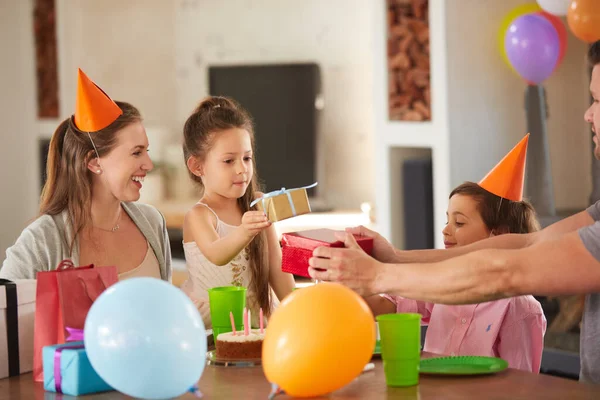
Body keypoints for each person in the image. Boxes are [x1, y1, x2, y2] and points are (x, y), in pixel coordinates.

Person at [308, 41, 600, 383]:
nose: (587, 113)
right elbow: (526, 244)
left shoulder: (521, 310)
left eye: (597, 100)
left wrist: (375, 274)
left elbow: (506, 274)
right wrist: (394, 259)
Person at [367, 135, 546, 372]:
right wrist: (344, 285)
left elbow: (521, 387)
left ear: (500, 235)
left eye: (459, 223)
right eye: (447, 220)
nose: (445, 230)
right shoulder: (443, 285)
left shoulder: (520, 309)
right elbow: (387, 306)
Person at [0, 69, 171, 282]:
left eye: (147, 150)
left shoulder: (152, 223)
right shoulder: (41, 240)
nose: (149, 164)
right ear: (94, 161)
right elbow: (6, 309)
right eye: (136, 152)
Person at [180, 96, 295, 328]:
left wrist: (298, 308)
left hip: (256, 316)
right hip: (212, 322)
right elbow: (216, 254)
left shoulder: (260, 203)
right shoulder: (200, 215)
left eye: (247, 158)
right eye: (229, 161)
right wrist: (245, 231)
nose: (242, 169)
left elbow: (276, 265)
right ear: (197, 166)